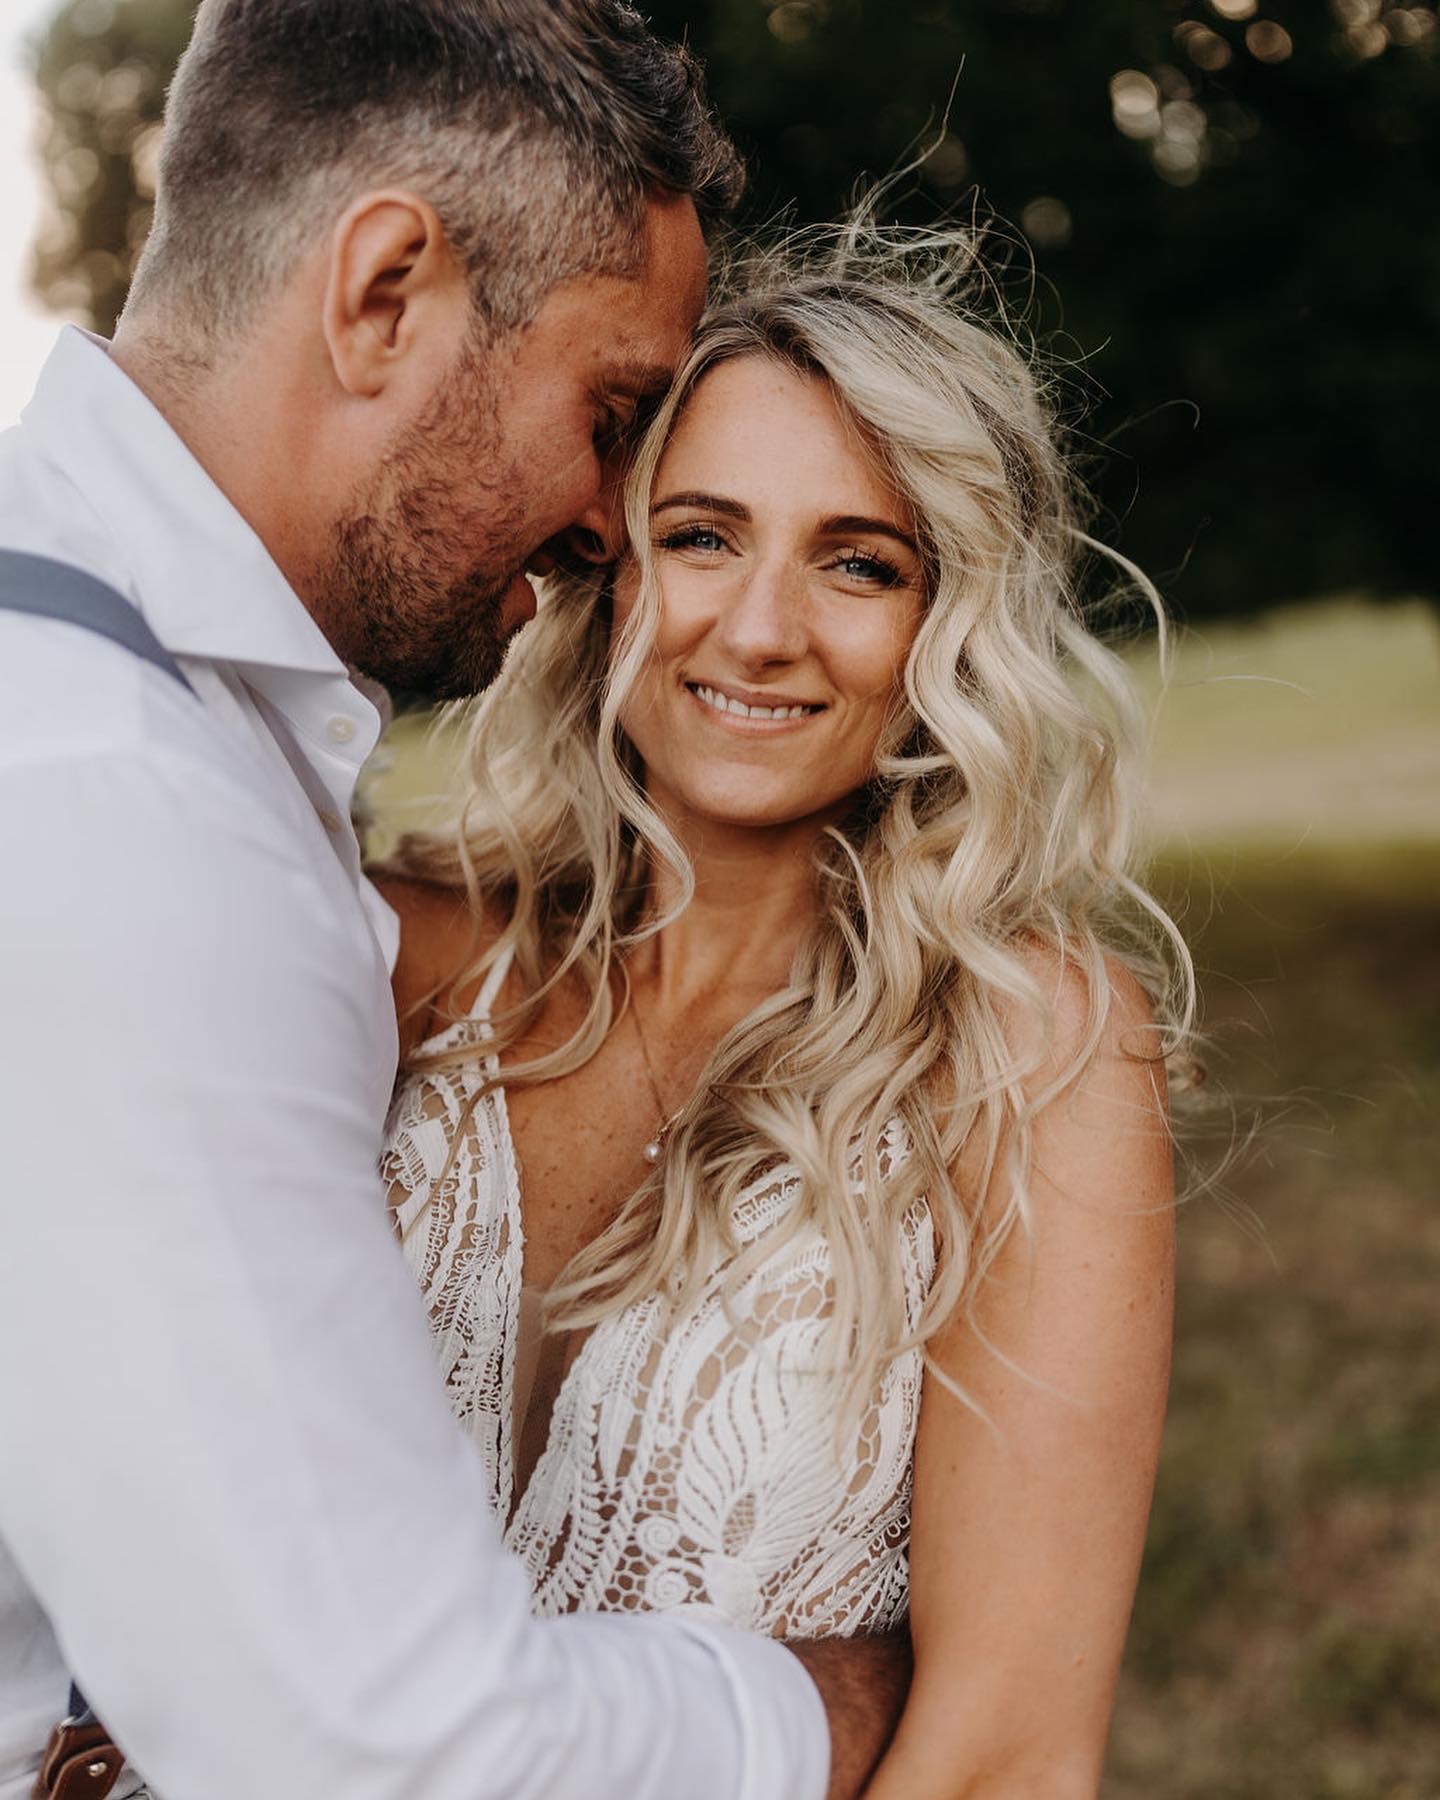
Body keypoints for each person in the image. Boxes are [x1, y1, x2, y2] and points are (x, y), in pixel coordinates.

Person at [0, 4, 901, 1797]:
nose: (606, 526)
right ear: (387, 288)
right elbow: (371, 1743)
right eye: (612, 412)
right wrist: (838, 1703)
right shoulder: (118, 802)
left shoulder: (119, 709)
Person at [378, 222, 1190, 1797]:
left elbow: (1006, 1754)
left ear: (948, 626)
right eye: (702, 536)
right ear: (608, 571)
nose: (758, 630)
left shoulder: (1032, 1057)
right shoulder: (406, 959)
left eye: (858, 562)